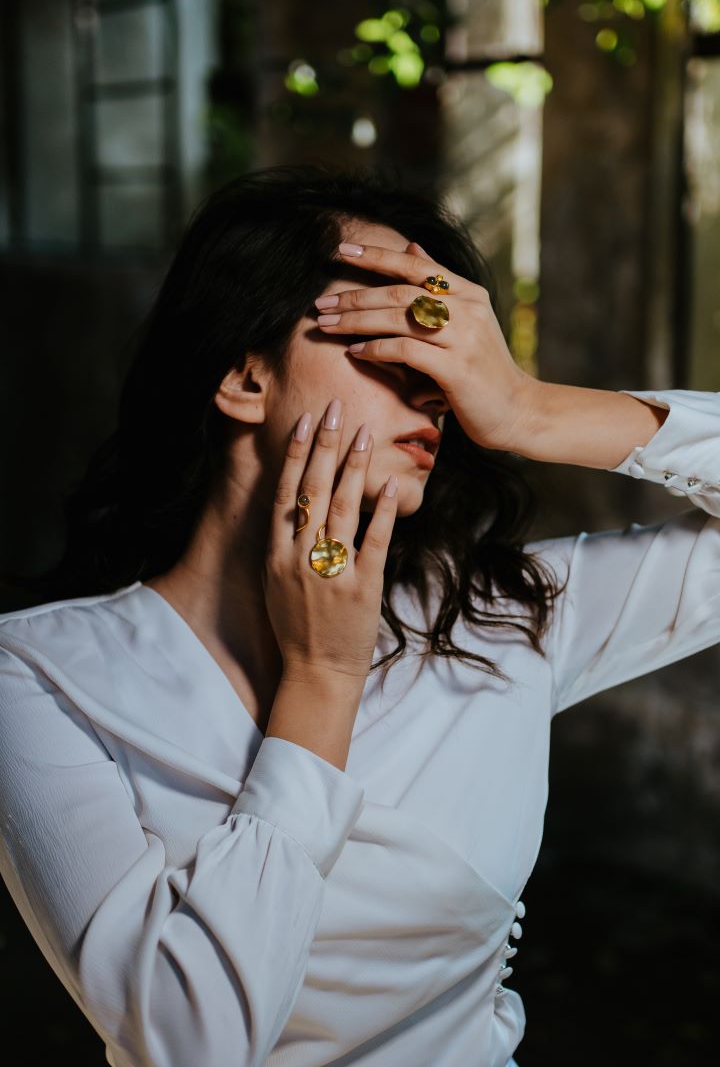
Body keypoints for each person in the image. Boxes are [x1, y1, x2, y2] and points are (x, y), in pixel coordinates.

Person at [0, 164, 718, 1067]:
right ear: (244, 376)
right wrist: (320, 682)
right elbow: (188, 1044)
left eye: (448, 347)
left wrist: (532, 409)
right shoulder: (35, 678)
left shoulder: (504, 620)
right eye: (394, 334)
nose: (434, 390)